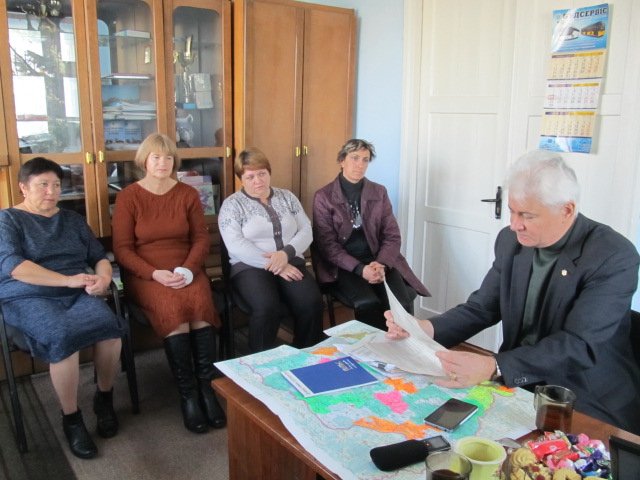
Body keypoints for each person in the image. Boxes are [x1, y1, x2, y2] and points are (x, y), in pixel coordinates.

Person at [385, 149, 640, 434]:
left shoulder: (613, 255)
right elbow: (482, 307)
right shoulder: (511, 240)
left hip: (582, 393)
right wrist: (425, 328)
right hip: (521, 377)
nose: (515, 224)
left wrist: (495, 365)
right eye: (512, 211)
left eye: (527, 215)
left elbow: (578, 345)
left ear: (567, 210)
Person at [0, 157, 124, 459]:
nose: (51, 191)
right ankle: (72, 418)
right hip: (27, 296)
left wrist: (103, 279)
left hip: (76, 290)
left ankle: (104, 398)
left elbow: (99, 256)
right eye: (43, 184)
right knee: (63, 336)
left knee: (109, 327)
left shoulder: (72, 219)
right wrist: (67, 280)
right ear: (23, 187)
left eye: (56, 185)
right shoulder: (8, 220)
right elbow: (14, 266)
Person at [111, 133, 225, 434]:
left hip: (186, 267)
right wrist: (154, 274)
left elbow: (200, 238)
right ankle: (188, 395)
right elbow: (122, 249)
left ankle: (207, 389)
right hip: (147, 274)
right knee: (172, 306)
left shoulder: (187, 194)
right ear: (144, 161)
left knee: (200, 305)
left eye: (168, 157)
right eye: (156, 157)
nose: (163, 163)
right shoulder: (129, 197)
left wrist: (188, 269)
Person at [313, 138, 430, 330]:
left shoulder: (379, 192)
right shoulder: (323, 197)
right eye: (354, 158)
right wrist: (361, 269)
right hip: (344, 265)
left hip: (378, 260)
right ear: (342, 160)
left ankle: (404, 345)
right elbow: (328, 247)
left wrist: (381, 263)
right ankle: (373, 347)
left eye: (365, 160)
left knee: (401, 302)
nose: (360, 164)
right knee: (368, 303)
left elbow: (392, 235)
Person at [218, 147, 323, 353]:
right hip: (249, 268)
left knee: (311, 303)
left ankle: (305, 354)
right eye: (250, 177)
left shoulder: (287, 197)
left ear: (269, 172)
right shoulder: (232, 205)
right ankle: (260, 362)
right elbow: (235, 244)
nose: (258, 181)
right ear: (241, 179)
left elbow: (306, 230)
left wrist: (285, 254)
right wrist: (277, 265)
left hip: (290, 260)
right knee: (266, 307)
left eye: (262, 173)